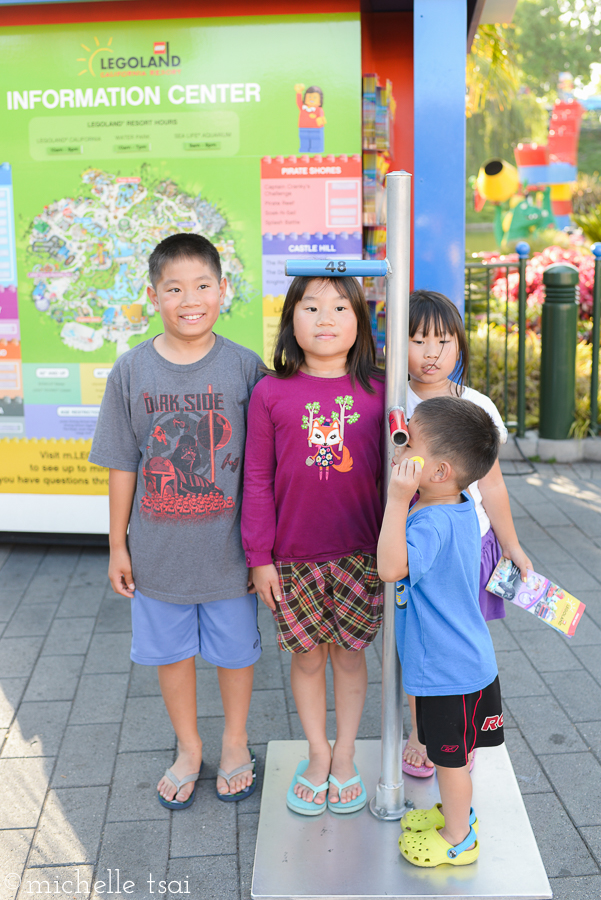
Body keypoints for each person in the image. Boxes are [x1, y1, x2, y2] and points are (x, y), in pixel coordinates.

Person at [89, 233, 263, 810]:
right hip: (158, 554)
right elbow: (121, 464)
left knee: (236, 653)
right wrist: (118, 545)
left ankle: (235, 743)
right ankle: (189, 748)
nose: (191, 299)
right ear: (153, 295)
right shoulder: (131, 371)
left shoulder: (245, 368)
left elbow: (266, 465)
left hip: (230, 555)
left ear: (224, 289)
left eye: (203, 286)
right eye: (174, 289)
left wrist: (267, 548)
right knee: (170, 654)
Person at [242, 275, 384, 814]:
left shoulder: (379, 390)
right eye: (311, 306)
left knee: (349, 657)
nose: (325, 318)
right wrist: (260, 558)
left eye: (340, 307)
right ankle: (317, 752)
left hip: (361, 555)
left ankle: (346, 753)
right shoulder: (270, 393)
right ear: (290, 321)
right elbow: (256, 479)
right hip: (292, 558)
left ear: (359, 321)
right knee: (306, 660)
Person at [401, 289, 531, 778]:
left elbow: (492, 486)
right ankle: (420, 729)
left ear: (459, 346)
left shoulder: (477, 405)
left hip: (467, 548)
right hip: (414, 551)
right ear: (397, 345)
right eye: (417, 340)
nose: (431, 353)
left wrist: (512, 546)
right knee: (417, 641)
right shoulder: (392, 404)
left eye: (442, 340)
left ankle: (464, 727)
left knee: (461, 641)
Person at [377, 396, 505, 867]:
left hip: (450, 671)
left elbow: (391, 567)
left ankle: (459, 838)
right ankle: (455, 816)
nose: (400, 440)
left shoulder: (429, 520)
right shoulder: (457, 503)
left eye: (409, 438)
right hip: (458, 662)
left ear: (438, 472)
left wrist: (395, 498)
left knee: (449, 762)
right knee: (443, 753)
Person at [294, 83, 326, 153]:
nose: (311, 99)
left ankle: (316, 149)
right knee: (304, 139)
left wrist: (320, 120)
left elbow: (322, 119)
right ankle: (304, 148)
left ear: (320, 101)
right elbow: (298, 102)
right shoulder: (303, 108)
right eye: (309, 97)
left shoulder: (319, 110)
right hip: (303, 128)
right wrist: (299, 92)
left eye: (314, 97)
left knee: (316, 139)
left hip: (316, 129)